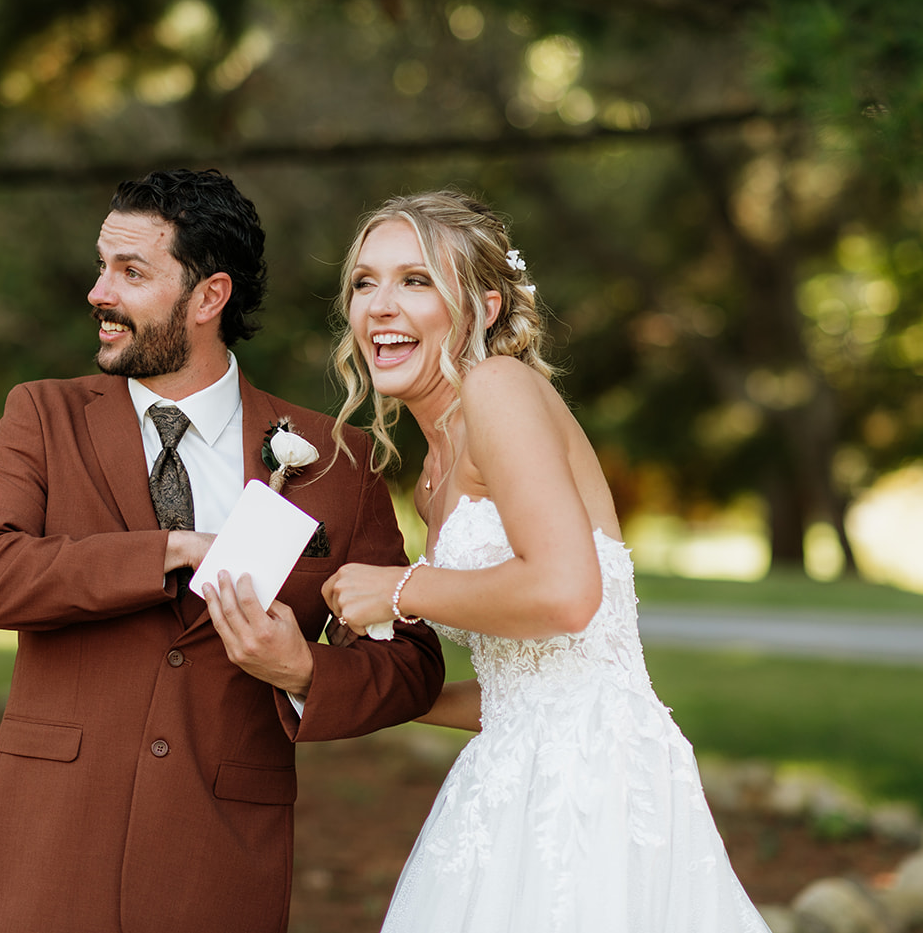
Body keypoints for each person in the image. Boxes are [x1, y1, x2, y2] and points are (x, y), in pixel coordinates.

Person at [0, 169, 444, 933]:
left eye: (131, 272)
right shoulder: (42, 415)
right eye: (102, 266)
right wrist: (170, 549)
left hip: (216, 862)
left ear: (209, 297)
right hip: (45, 847)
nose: (99, 292)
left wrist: (303, 670)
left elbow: (412, 664)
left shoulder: (338, 460)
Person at [322, 191, 771, 932]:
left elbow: (566, 593)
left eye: (416, 280)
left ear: (484, 308)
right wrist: (359, 683)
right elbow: (524, 689)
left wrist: (400, 589)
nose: (380, 306)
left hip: (590, 786)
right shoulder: (432, 477)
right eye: (365, 282)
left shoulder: (499, 388)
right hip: (513, 775)